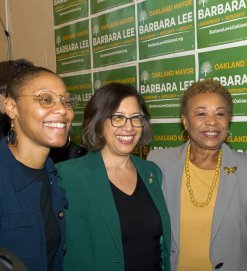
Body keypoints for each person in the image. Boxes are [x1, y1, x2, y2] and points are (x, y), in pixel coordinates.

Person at [148, 79, 247, 271]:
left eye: (220, 114)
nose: (212, 122)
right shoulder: (158, 163)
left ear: (228, 120)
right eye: (201, 113)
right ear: (185, 120)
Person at [56, 83, 171, 271]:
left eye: (136, 118)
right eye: (118, 118)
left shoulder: (152, 172)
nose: (129, 127)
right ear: (99, 122)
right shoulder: (68, 177)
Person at [0, 62, 75, 271]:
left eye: (66, 101)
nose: (62, 110)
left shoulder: (52, 175)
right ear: (11, 108)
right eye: (46, 99)